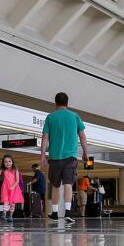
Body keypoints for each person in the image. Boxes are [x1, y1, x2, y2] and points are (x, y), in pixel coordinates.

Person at [39, 92, 89, 224]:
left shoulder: (50, 117)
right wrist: (85, 153)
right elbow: (82, 136)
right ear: (67, 103)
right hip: (71, 156)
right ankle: (67, 212)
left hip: (55, 157)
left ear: (55, 103)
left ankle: (55, 213)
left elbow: (45, 137)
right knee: (68, 184)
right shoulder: (75, 116)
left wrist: (42, 155)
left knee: (55, 185)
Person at [0, 155, 25, 222]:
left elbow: (17, 180)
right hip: (6, 188)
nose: (8, 163)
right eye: (6, 162)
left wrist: (13, 186)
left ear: (12, 162)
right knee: (6, 201)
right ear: (3, 163)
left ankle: (10, 216)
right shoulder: (3, 170)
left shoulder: (15, 170)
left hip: (14, 188)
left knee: (12, 203)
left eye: (9, 161)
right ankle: (4, 215)